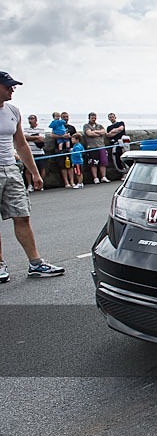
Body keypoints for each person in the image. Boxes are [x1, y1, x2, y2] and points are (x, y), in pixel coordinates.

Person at [0, 71, 64, 282]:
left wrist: (35, 172)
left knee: (22, 216)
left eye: (13, 85)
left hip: (11, 169)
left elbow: (21, 143)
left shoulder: (13, 111)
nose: (12, 89)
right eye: (8, 85)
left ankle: (36, 264)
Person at [83, 112, 109, 184]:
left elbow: (103, 132)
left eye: (95, 118)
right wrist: (98, 133)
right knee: (93, 163)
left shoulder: (99, 125)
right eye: (92, 118)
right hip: (92, 147)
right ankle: (95, 178)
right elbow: (89, 133)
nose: (94, 119)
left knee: (103, 162)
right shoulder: (86, 126)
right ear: (89, 118)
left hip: (101, 146)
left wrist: (95, 131)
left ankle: (103, 177)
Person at [23, 114, 47, 192]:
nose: (30, 120)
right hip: (29, 152)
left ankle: (40, 184)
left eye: (32, 119)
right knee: (28, 170)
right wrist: (36, 137)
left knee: (42, 169)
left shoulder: (41, 129)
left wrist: (31, 138)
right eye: (29, 119)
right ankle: (30, 185)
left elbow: (41, 139)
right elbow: (24, 138)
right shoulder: (26, 129)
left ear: (36, 120)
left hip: (39, 152)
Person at [58, 111, 77, 189]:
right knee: (63, 167)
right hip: (61, 150)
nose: (65, 118)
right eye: (64, 117)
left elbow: (76, 137)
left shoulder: (72, 127)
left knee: (71, 166)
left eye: (67, 117)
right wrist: (63, 136)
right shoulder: (57, 127)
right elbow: (52, 135)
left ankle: (72, 181)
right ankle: (66, 182)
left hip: (70, 149)